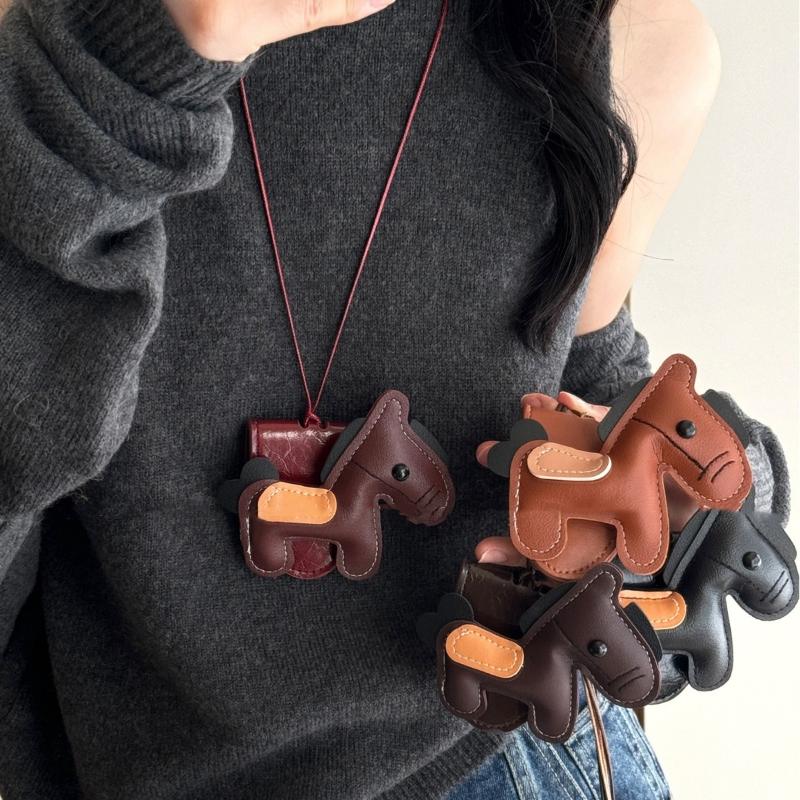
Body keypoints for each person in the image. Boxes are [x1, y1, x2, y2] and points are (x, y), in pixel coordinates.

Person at [0, 1, 788, 798]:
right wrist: (126, 59)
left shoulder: (626, 36)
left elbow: (588, 372)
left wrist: (704, 510)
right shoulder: (49, 31)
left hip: (505, 759)